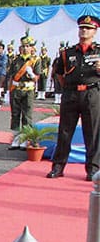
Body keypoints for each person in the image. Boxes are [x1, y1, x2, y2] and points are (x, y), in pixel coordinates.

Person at [48, 15, 100, 180]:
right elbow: (59, 73)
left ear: (95, 31)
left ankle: (92, 169)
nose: (84, 30)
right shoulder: (67, 52)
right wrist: (68, 88)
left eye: (88, 28)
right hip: (71, 94)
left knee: (92, 133)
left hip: (92, 94)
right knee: (64, 131)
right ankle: (58, 166)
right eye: (82, 28)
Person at [6, 31, 38, 150]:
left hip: (28, 90)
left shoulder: (35, 60)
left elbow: (37, 77)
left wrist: (31, 73)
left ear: (32, 48)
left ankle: (25, 139)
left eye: (28, 46)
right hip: (16, 89)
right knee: (15, 114)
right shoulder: (15, 60)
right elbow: (10, 75)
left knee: (27, 115)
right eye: (23, 46)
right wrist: (7, 91)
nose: (25, 48)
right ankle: (16, 139)